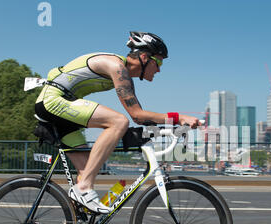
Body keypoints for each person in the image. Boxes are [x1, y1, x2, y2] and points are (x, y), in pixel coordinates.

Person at [34, 31, 200, 214]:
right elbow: (136, 115)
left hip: (64, 112)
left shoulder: (124, 75)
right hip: (52, 101)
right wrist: (178, 117)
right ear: (145, 57)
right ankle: (83, 189)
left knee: (88, 169)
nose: (159, 69)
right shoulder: (117, 67)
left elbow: (141, 117)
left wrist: (171, 128)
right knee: (119, 122)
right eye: (159, 62)